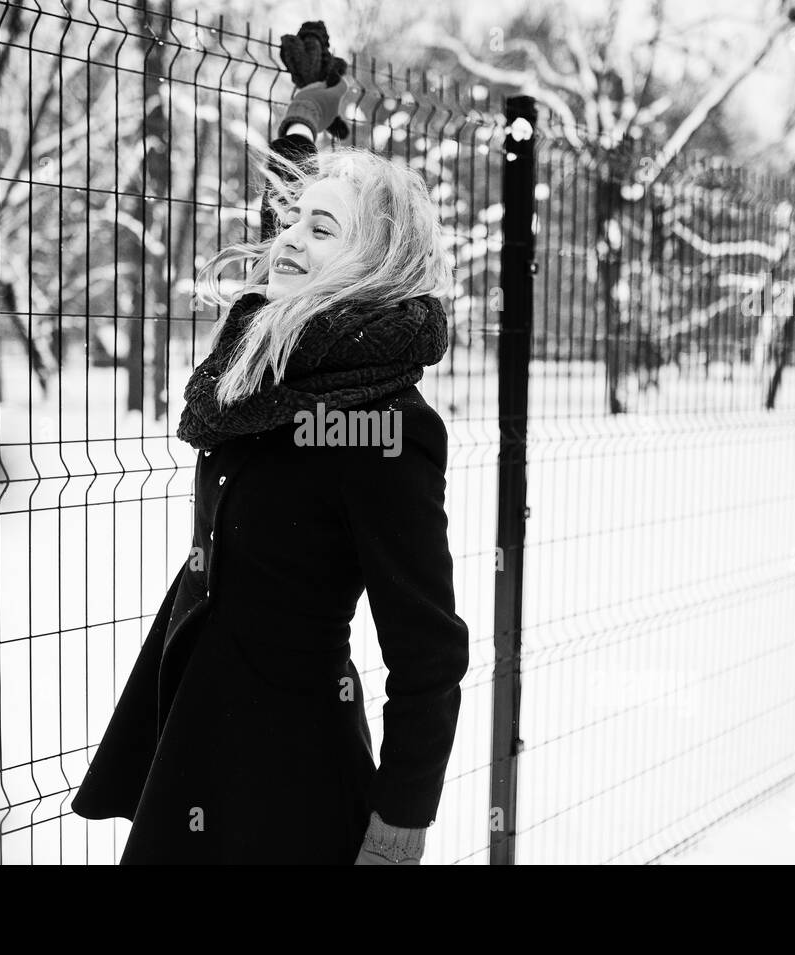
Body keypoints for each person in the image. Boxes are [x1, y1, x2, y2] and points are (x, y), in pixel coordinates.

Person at [70, 75, 469, 865]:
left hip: (286, 775)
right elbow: (284, 246)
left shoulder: (383, 421)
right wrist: (302, 126)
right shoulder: (274, 366)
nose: (287, 238)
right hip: (204, 728)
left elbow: (428, 649)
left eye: (322, 227)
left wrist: (398, 830)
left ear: (374, 262)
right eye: (292, 220)